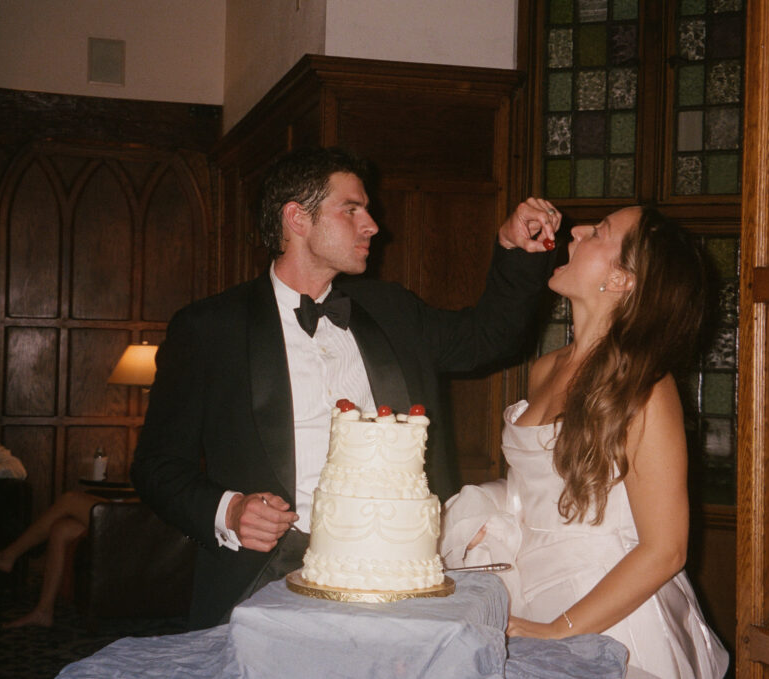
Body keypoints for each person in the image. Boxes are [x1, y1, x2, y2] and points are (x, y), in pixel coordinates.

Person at [131, 146, 560, 629]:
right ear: (297, 219)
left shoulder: (391, 309)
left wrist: (515, 251)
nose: (372, 225)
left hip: (399, 576)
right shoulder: (210, 328)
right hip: (263, 577)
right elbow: (157, 466)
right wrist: (229, 511)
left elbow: (489, 339)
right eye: (351, 209)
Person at [440, 206, 729, 679]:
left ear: (621, 279)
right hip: (527, 586)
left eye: (599, 232)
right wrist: (492, 509)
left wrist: (559, 630)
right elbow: (546, 488)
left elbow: (666, 549)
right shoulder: (545, 368)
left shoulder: (647, 388)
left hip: (609, 614)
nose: (576, 230)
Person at [0, 490, 105, 628]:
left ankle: (7, 556)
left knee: (70, 499)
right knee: (61, 529)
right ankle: (43, 611)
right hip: (128, 518)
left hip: (129, 527)